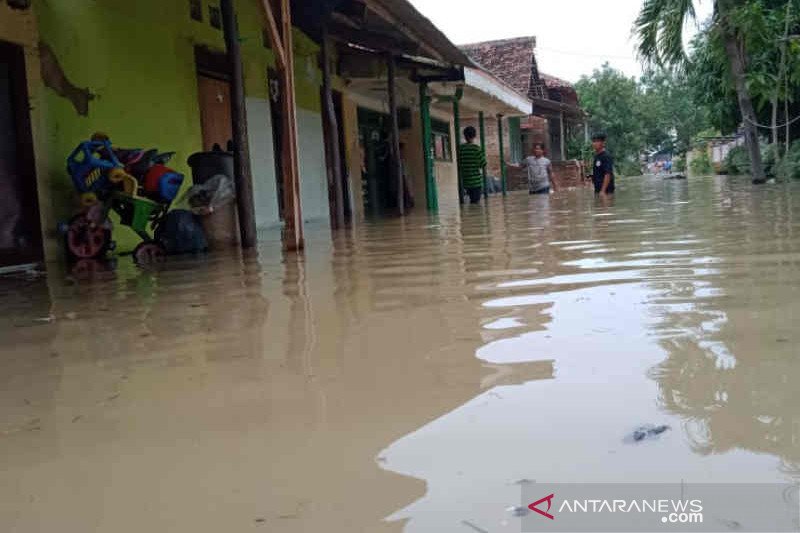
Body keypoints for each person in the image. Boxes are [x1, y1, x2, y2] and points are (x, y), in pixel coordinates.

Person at [458, 126, 487, 204]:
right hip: (476, 182)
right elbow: (483, 164)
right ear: (474, 136)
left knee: (470, 203)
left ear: (464, 136)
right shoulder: (476, 149)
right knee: (476, 204)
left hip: (465, 182)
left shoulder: (460, 149)